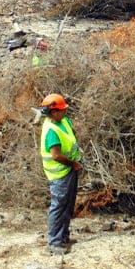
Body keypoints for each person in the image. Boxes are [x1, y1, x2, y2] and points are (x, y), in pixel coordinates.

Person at [39, 93, 83, 255]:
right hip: (59, 174)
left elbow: (71, 134)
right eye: (61, 110)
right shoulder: (51, 130)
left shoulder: (63, 121)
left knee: (67, 205)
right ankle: (54, 243)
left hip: (69, 170)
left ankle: (63, 237)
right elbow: (56, 155)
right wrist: (73, 163)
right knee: (58, 207)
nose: (65, 111)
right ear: (53, 112)